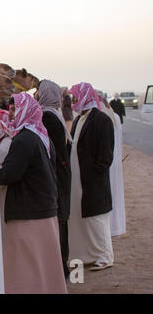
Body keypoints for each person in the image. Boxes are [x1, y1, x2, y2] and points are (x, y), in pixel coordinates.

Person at [0, 92, 67, 294]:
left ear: (28, 110)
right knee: (42, 264)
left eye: (16, 108)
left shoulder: (24, 139)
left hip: (28, 212)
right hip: (44, 208)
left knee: (25, 265)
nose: (12, 113)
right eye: (11, 108)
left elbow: (9, 175)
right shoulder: (40, 136)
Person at [68, 82, 114, 271]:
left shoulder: (101, 119)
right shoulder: (80, 119)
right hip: (78, 178)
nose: (73, 101)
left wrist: (97, 173)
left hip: (92, 179)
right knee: (82, 216)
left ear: (86, 96)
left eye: (76, 98)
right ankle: (87, 254)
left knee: (97, 217)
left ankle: (104, 256)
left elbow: (106, 153)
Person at [35, 80, 72, 280]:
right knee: (62, 218)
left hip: (57, 174)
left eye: (40, 93)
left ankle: (60, 266)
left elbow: (53, 150)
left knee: (59, 219)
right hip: (62, 172)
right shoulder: (54, 114)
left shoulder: (48, 116)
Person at [97, 92, 126, 237]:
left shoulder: (102, 116)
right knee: (115, 193)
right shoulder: (113, 115)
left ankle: (110, 227)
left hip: (106, 161)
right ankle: (116, 226)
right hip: (114, 162)